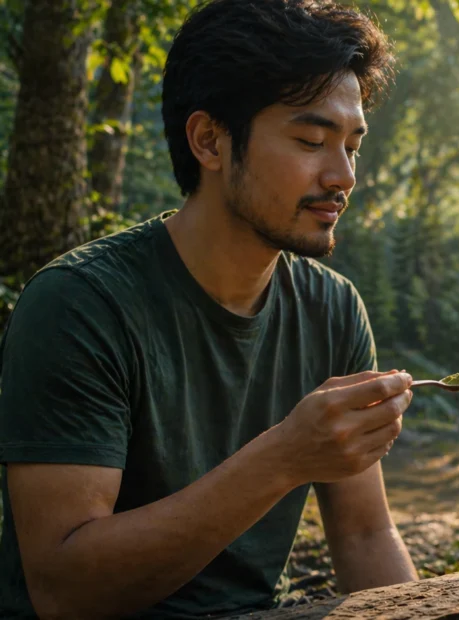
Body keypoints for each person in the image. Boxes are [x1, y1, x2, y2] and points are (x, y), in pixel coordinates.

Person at [0, 1, 418, 617]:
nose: (344, 175)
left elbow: (364, 535)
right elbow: (64, 589)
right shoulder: (79, 305)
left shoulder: (332, 310)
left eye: (352, 146)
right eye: (311, 140)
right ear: (209, 140)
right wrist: (283, 458)